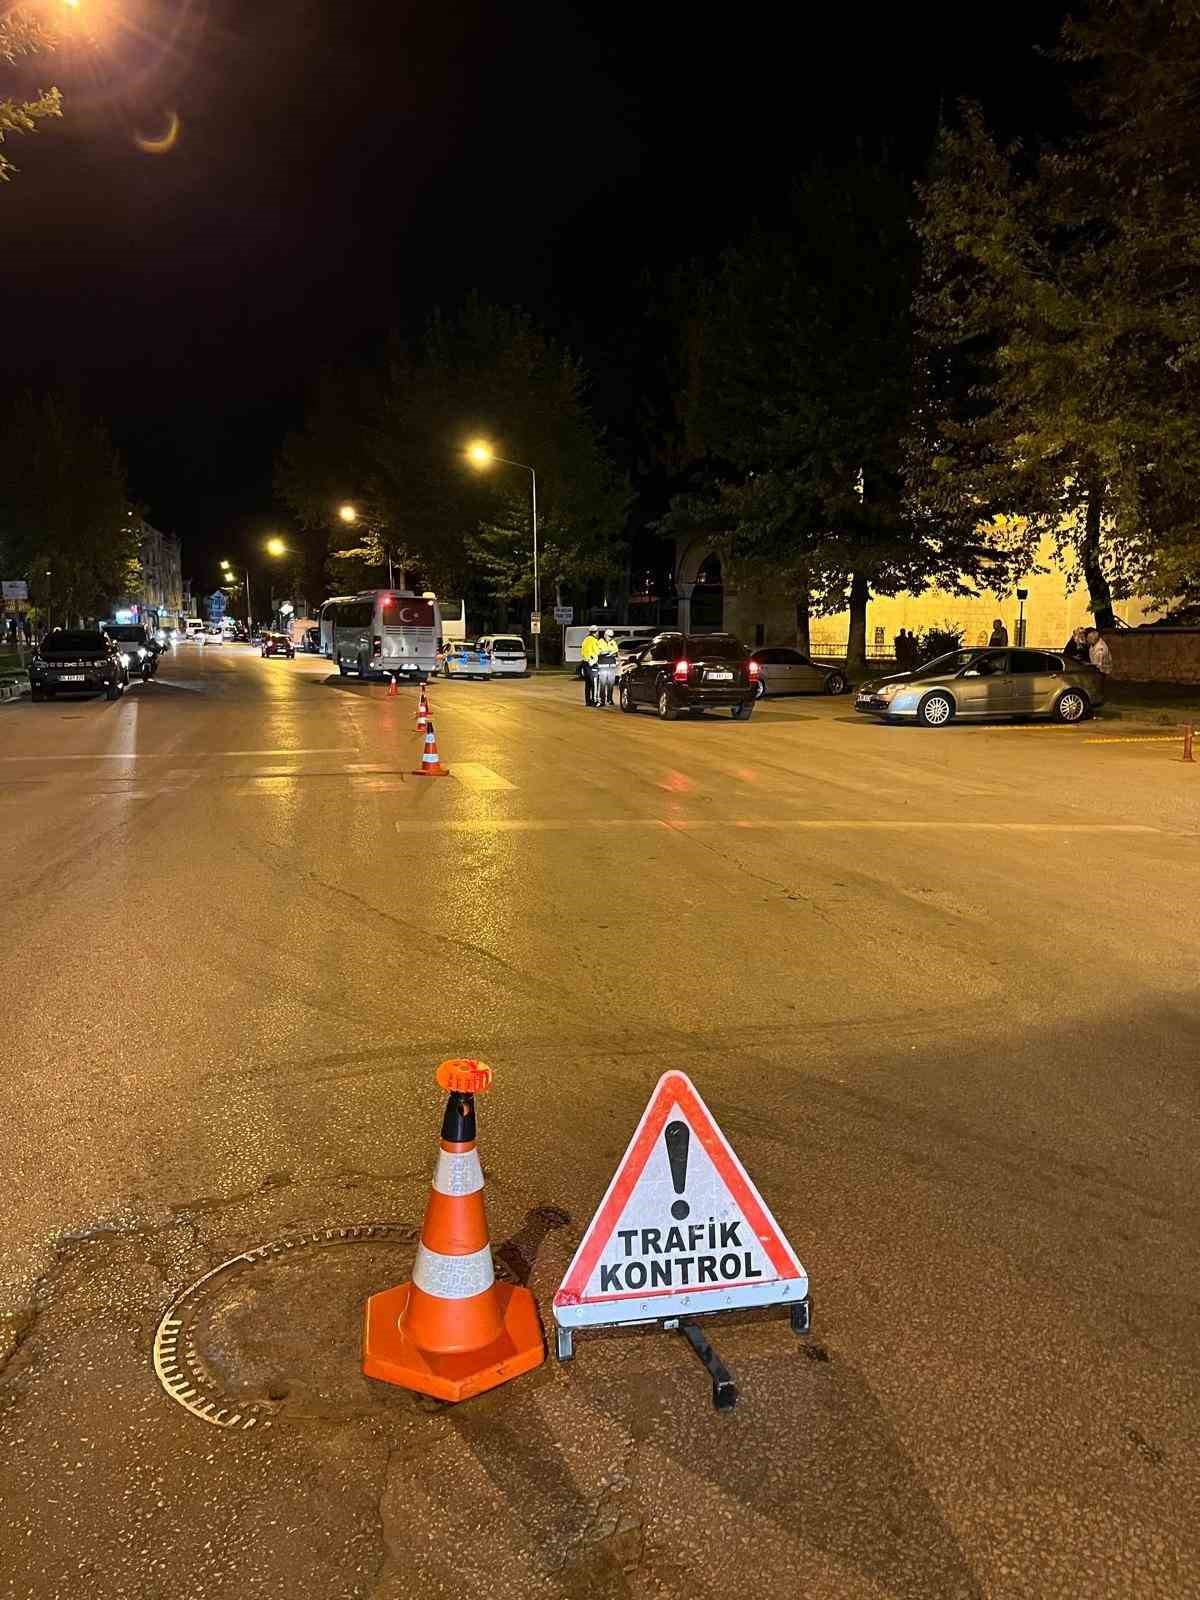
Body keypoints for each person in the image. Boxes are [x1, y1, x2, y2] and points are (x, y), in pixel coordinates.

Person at [595, 627, 619, 706]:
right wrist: (606, 653)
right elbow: (598, 652)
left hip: (611, 666)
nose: (610, 638)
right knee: (602, 684)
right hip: (603, 666)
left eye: (611, 636)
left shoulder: (613, 642)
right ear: (605, 635)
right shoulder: (600, 642)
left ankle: (609, 699)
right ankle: (602, 700)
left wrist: (610, 653)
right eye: (609, 636)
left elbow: (616, 651)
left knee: (611, 684)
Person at [580, 625, 601, 707]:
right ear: (595, 632)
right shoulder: (594, 640)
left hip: (585, 663)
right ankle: (594, 701)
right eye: (597, 632)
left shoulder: (585, 640)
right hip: (592, 664)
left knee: (587, 684)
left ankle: (587, 702)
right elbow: (597, 651)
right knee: (594, 684)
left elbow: (582, 652)